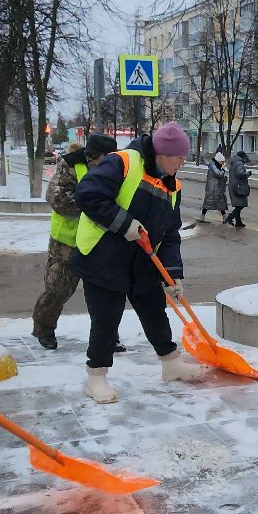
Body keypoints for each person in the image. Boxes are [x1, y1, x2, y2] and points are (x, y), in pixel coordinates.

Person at [71, 121, 195, 403]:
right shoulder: (124, 162)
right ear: (163, 153)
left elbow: (171, 232)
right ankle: (96, 376)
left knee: (154, 311)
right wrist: (123, 223)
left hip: (142, 260)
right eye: (180, 156)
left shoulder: (172, 184)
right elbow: (88, 195)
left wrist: (173, 274)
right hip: (104, 257)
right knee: (107, 319)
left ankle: (170, 362)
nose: (183, 161)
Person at [31, 138, 102, 349]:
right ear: (92, 156)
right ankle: (44, 328)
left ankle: (107, 335)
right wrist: (93, 206)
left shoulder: (111, 169)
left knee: (102, 294)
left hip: (96, 242)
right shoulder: (70, 165)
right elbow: (57, 198)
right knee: (57, 290)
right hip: (66, 242)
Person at [198, 148, 229, 222]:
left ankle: (224, 217)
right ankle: (202, 216)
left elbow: (220, 176)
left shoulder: (216, 165)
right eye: (222, 162)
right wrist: (223, 169)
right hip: (213, 188)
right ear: (218, 161)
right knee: (209, 202)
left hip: (217, 187)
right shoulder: (213, 165)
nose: (222, 163)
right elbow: (218, 174)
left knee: (221, 203)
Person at [225, 151, 251, 227]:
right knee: (240, 205)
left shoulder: (234, 162)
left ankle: (238, 222)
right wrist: (247, 174)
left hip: (233, 186)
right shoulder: (239, 163)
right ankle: (230, 217)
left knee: (238, 205)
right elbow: (240, 173)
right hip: (238, 187)